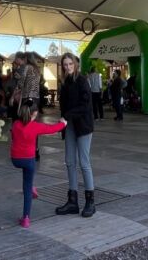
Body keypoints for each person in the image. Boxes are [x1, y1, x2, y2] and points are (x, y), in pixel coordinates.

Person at [9, 100, 66, 227]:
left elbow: (13, 136)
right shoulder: (35, 126)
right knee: (27, 186)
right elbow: (51, 129)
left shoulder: (16, 124)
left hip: (15, 159)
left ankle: (31, 188)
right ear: (34, 113)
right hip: (29, 160)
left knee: (27, 180)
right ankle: (26, 219)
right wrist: (63, 123)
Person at [55, 53, 97, 218]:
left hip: (83, 126)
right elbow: (64, 106)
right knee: (70, 161)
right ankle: (72, 201)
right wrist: (63, 121)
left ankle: (90, 202)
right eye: (65, 65)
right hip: (70, 125)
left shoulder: (82, 81)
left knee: (84, 163)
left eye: (70, 64)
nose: (68, 67)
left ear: (75, 64)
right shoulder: (65, 82)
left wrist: (66, 116)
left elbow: (85, 105)